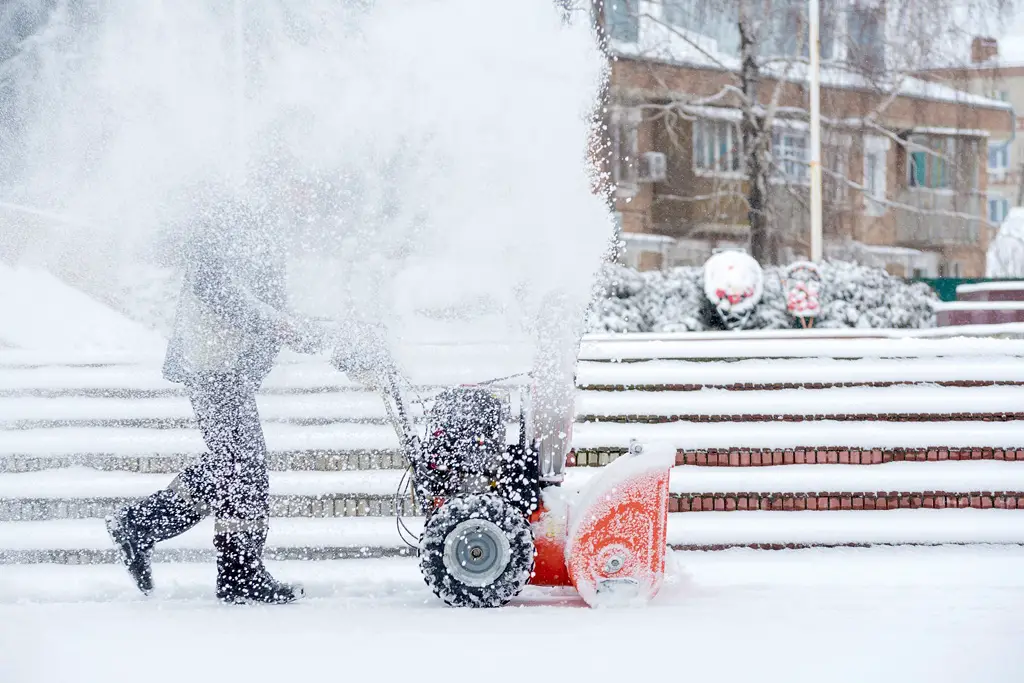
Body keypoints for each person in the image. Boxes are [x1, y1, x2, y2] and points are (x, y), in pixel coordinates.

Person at [105, 191, 331, 605]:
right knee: (243, 468)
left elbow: (264, 305)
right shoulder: (231, 223)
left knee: (234, 466)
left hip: (226, 369)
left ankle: (145, 526)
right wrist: (280, 325)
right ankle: (236, 573)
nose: (303, 208)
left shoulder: (259, 232)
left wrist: (309, 332)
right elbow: (219, 290)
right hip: (211, 367)